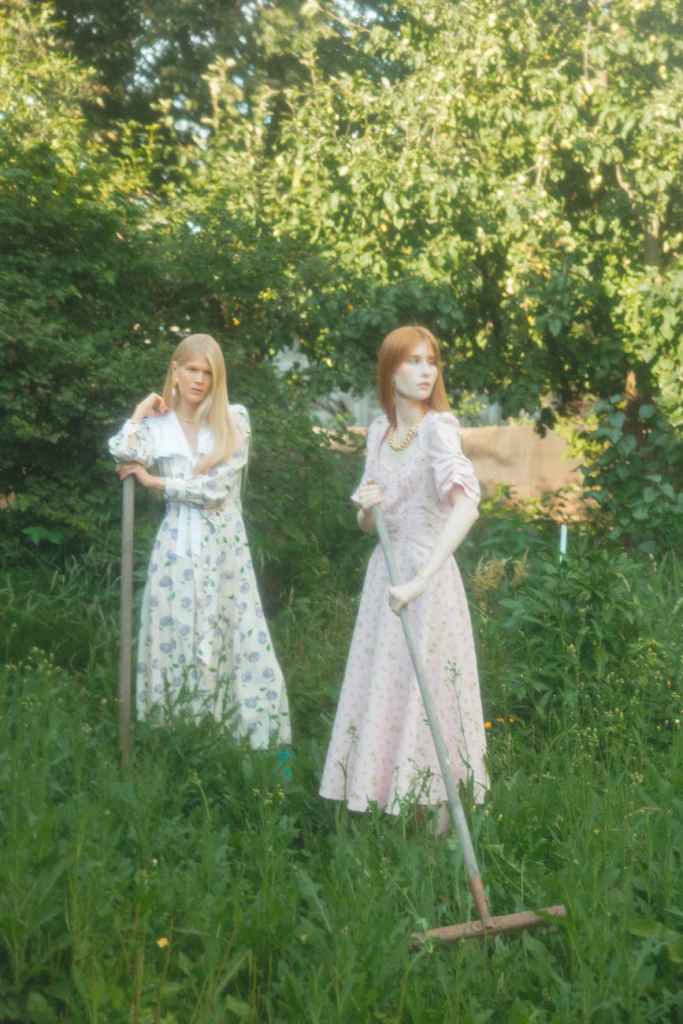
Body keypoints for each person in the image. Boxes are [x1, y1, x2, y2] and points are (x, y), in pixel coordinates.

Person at [319, 325, 487, 823]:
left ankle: (437, 818)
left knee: (429, 688)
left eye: (430, 361)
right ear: (389, 371)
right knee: (388, 684)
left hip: (426, 582)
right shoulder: (380, 432)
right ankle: (391, 802)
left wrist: (421, 580)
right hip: (385, 578)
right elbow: (371, 522)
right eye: (413, 361)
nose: (425, 371)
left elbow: (468, 507)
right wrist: (366, 509)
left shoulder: (439, 430)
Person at [108, 333, 290, 749]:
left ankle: (250, 742)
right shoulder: (157, 428)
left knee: (235, 633)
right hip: (177, 547)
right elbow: (122, 451)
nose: (199, 380)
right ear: (175, 370)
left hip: (225, 549)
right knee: (176, 632)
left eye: (208, 373)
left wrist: (157, 482)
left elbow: (216, 490)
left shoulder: (232, 421)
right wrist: (139, 411)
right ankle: (179, 741)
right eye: (191, 369)